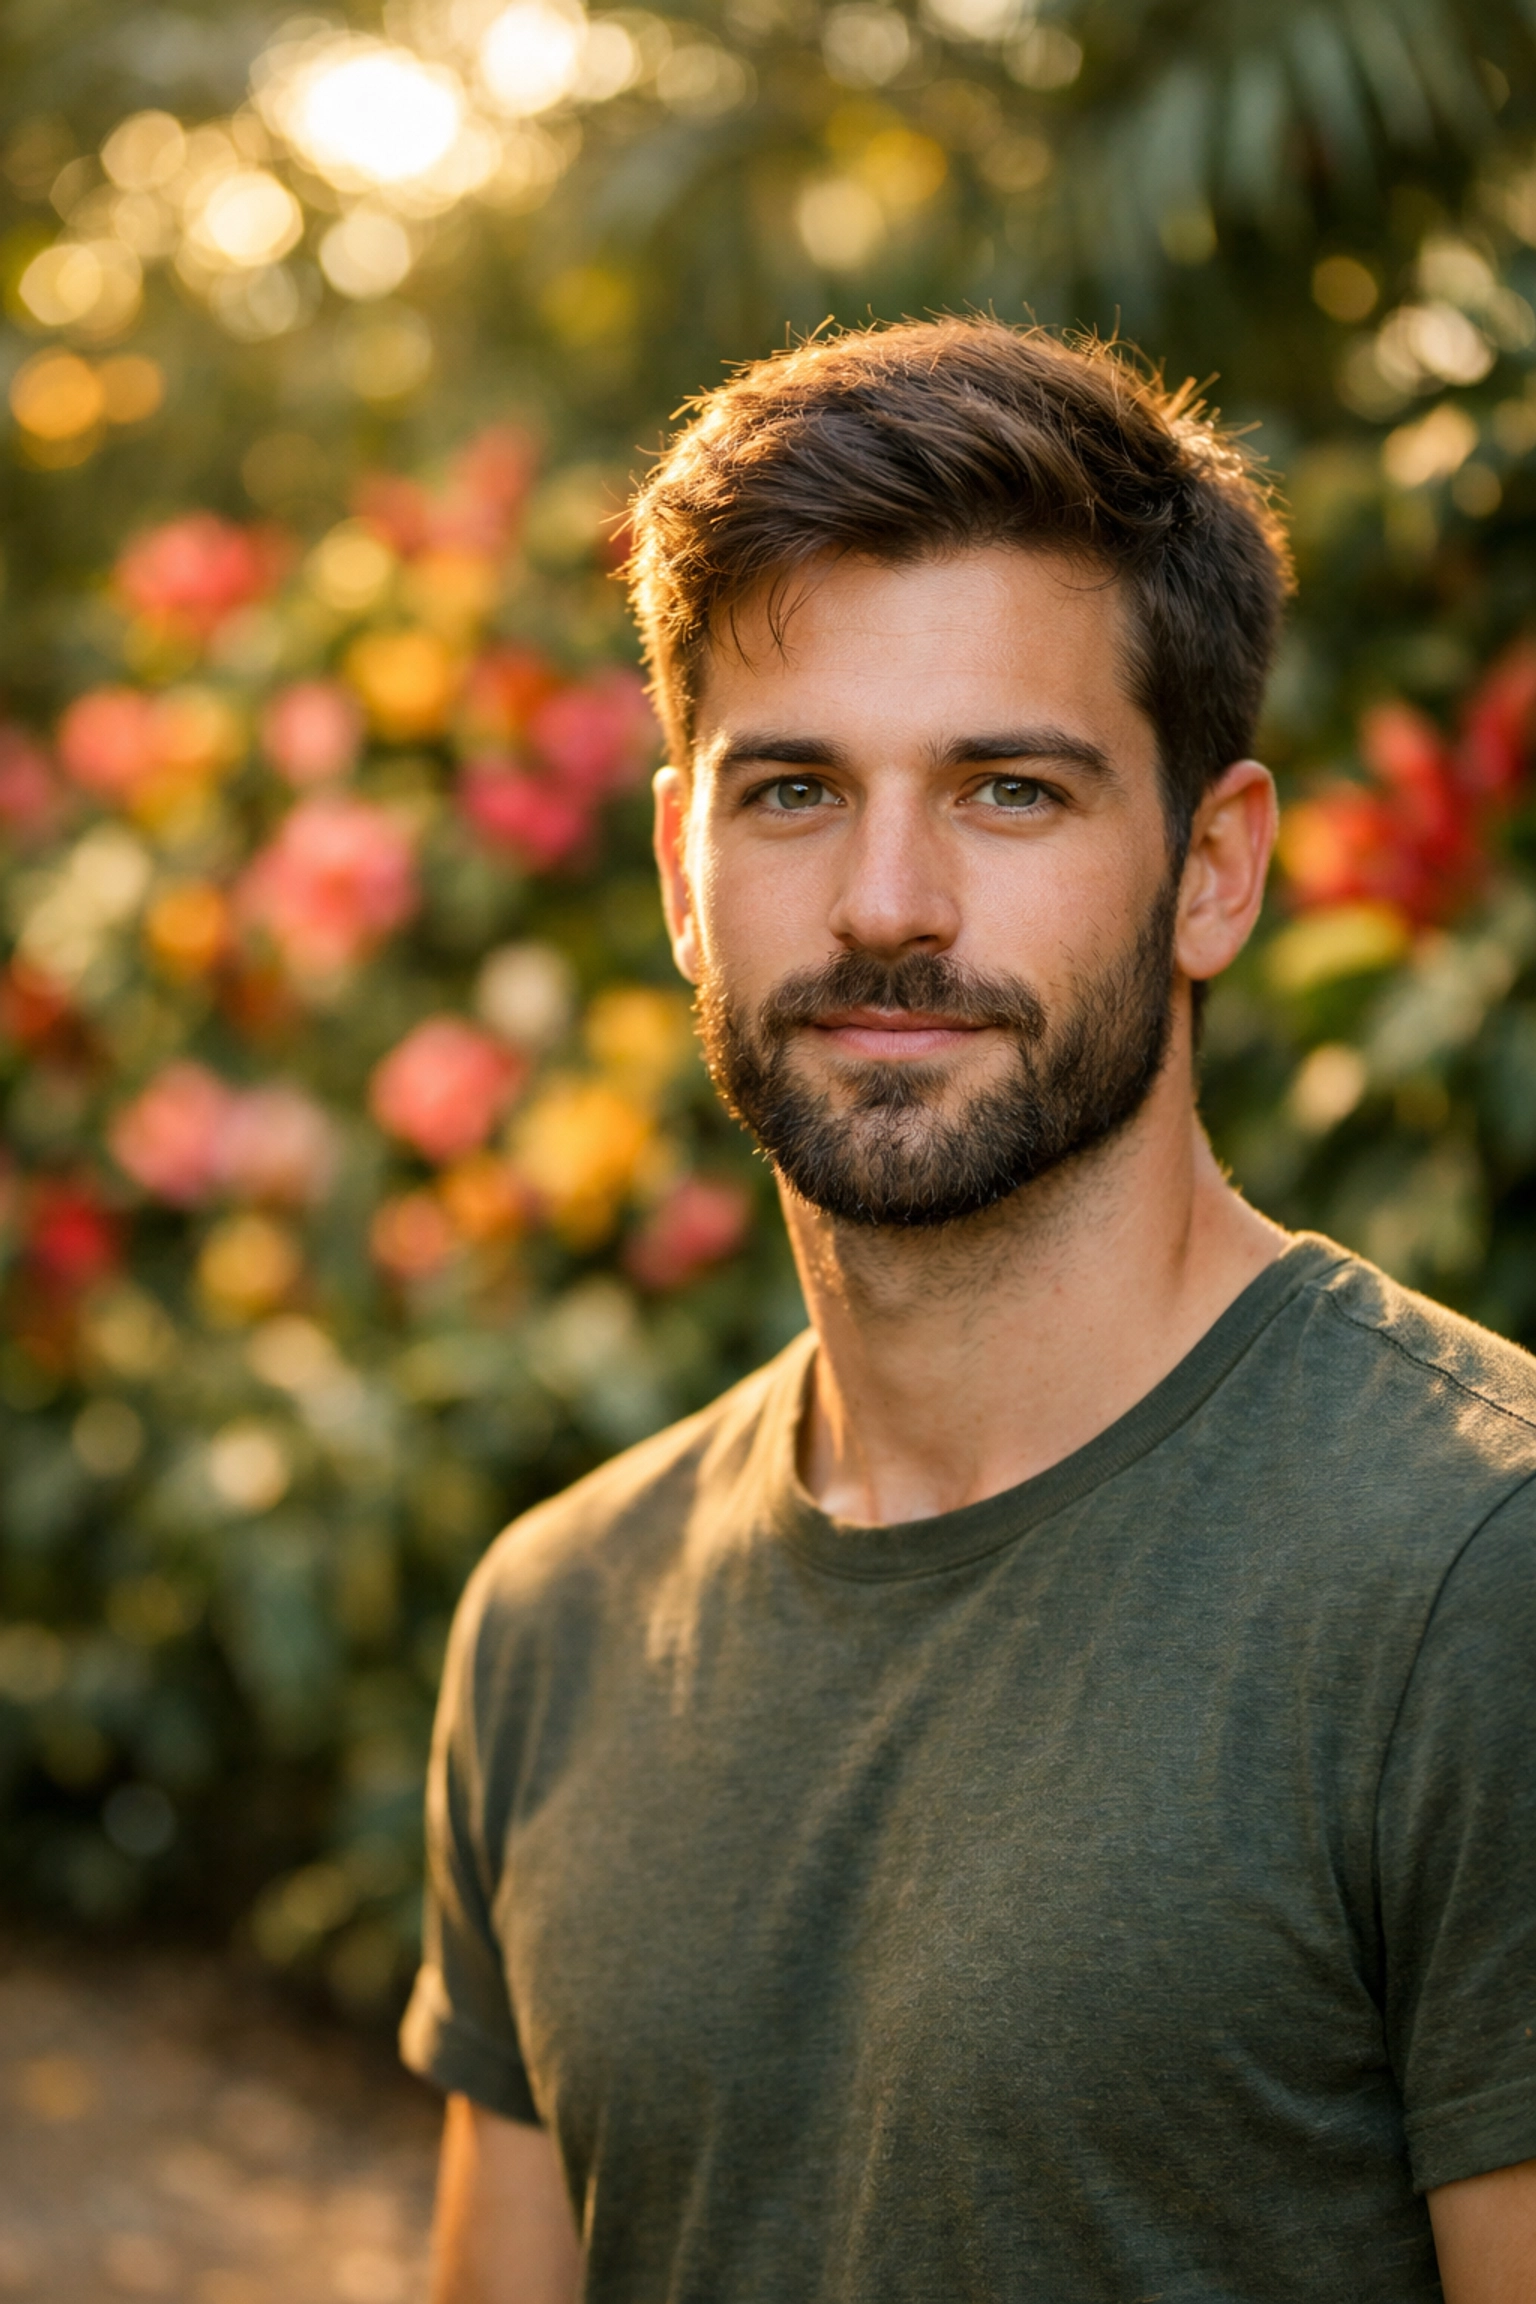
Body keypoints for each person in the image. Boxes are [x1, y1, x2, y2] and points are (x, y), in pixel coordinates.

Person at [400, 321, 1536, 2302]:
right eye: (791, 794)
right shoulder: (554, 1622)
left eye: (1009, 790)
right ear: (681, 865)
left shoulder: (1474, 1580)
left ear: (1213, 870)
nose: (887, 903)